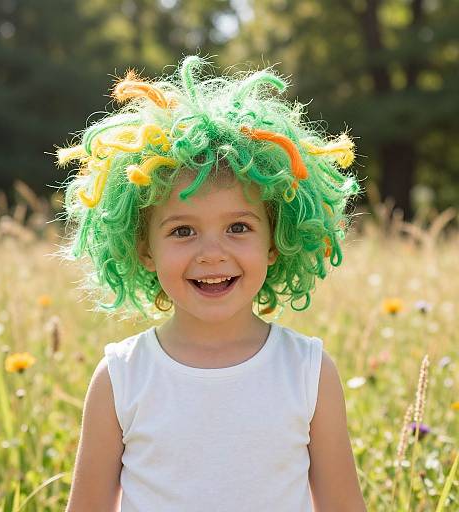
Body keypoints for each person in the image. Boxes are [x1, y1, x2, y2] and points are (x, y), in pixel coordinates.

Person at [55, 55, 367, 511]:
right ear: (144, 248)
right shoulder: (122, 377)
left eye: (238, 227)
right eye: (182, 231)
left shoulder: (309, 372)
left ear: (276, 240)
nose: (212, 253)